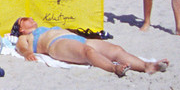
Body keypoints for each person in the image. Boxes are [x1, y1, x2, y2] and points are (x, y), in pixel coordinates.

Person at [12, 17, 169, 77]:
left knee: (116, 50)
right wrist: (27, 54)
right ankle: (114, 68)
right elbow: (21, 47)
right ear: (21, 29)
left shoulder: (46, 27)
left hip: (77, 39)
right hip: (57, 45)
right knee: (88, 52)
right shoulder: (25, 37)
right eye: (24, 19)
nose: (30, 19)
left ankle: (146, 66)